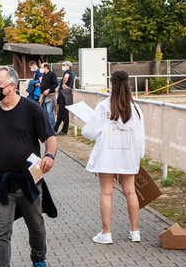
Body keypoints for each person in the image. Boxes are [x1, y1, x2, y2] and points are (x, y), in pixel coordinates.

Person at [0, 66, 57, 267]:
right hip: (0, 183)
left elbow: (50, 138)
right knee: (1, 231)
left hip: (28, 181)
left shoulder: (32, 109)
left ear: (12, 86)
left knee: (36, 224)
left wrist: (49, 156)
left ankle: (38, 259)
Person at [82, 70, 145, 244]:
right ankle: (135, 231)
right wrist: (139, 156)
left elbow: (89, 132)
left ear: (111, 84)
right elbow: (140, 136)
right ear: (129, 84)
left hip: (107, 156)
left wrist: (85, 128)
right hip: (128, 156)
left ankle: (107, 233)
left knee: (106, 193)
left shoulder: (103, 107)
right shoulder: (136, 109)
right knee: (131, 192)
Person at [54, 61, 75, 135]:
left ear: (68, 66)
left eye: (64, 65)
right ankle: (57, 129)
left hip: (64, 94)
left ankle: (62, 130)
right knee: (62, 113)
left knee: (62, 112)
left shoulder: (68, 72)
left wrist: (63, 84)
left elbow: (66, 77)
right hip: (66, 94)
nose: (63, 66)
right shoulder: (71, 73)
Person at [38, 63, 58, 129]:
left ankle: (53, 127)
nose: (41, 69)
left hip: (50, 95)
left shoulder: (52, 74)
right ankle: (47, 126)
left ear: (46, 67)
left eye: (42, 67)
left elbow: (55, 84)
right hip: (44, 95)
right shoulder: (43, 75)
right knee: (45, 111)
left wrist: (49, 90)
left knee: (50, 112)